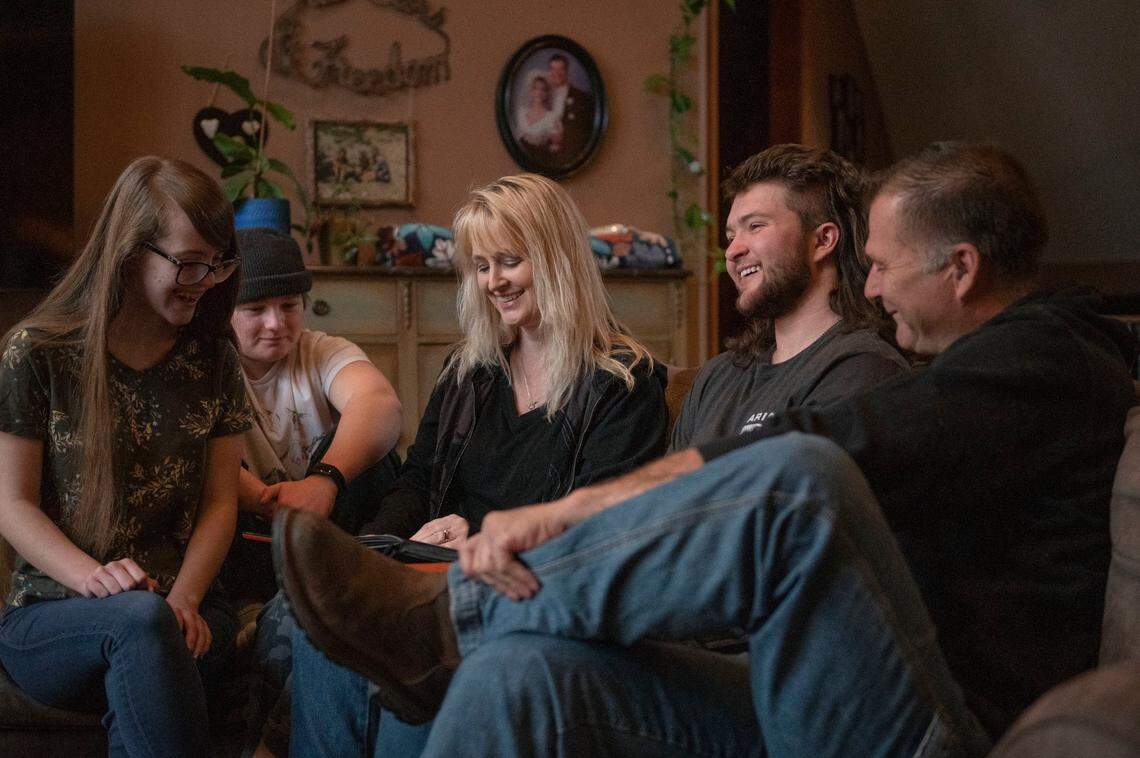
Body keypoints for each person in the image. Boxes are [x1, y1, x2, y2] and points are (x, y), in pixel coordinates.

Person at [274, 143, 1138, 757]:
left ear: (960, 267)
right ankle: (464, 637)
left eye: (883, 265)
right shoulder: (951, 377)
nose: (871, 287)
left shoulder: (1049, 357)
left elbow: (835, 447)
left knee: (798, 480)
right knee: (522, 673)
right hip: (804, 675)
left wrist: (569, 509)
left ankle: (448, 619)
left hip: (938, 722)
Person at [277, 173, 670, 756]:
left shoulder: (623, 383)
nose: (494, 282)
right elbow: (418, 478)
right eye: (481, 266)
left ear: (558, 260)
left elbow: (592, 531)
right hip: (433, 573)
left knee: (408, 672)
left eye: (510, 261)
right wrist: (393, 543)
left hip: (525, 591)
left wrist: (479, 536)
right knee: (326, 634)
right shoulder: (470, 371)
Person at [0, 156, 254, 757]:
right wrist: (94, 578)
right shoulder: (37, 353)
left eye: (217, 264)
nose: (206, 278)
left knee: (153, 634)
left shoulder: (212, 358)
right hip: (55, 615)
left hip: (187, 611)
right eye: (189, 262)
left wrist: (185, 599)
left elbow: (221, 504)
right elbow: (11, 504)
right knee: (140, 624)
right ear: (129, 250)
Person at [225, 227, 402, 755]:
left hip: (329, 530)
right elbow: (189, 450)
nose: (276, 323)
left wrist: (323, 480)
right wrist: (262, 498)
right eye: (255, 308)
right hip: (246, 539)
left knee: (372, 452)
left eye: (289, 305)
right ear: (225, 308)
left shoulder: (322, 351)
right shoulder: (206, 363)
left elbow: (381, 406)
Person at [671, 144, 907, 451]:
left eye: (755, 227)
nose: (732, 251)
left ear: (823, 240)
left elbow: (794, 491)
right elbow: (664, 493)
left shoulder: (864, 369)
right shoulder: (717, 376)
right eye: (731, 236)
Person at [546, 53, 595, 162]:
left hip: (570, 155)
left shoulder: (582, 96)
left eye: (561, 69)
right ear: (549, 72)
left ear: (567, 71)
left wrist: (563, 136)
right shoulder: (543, 96)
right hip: (545, 157)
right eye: (553, 69)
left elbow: (585, 128)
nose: (557, 74)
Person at [515, 72, 563, 162]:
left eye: (543, 89)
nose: (539, 92)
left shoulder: (552, 117)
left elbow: (555, 146)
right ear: (531, 91)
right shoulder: (520, 112)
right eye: (536, 88)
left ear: (547, 93)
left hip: (539, 159)